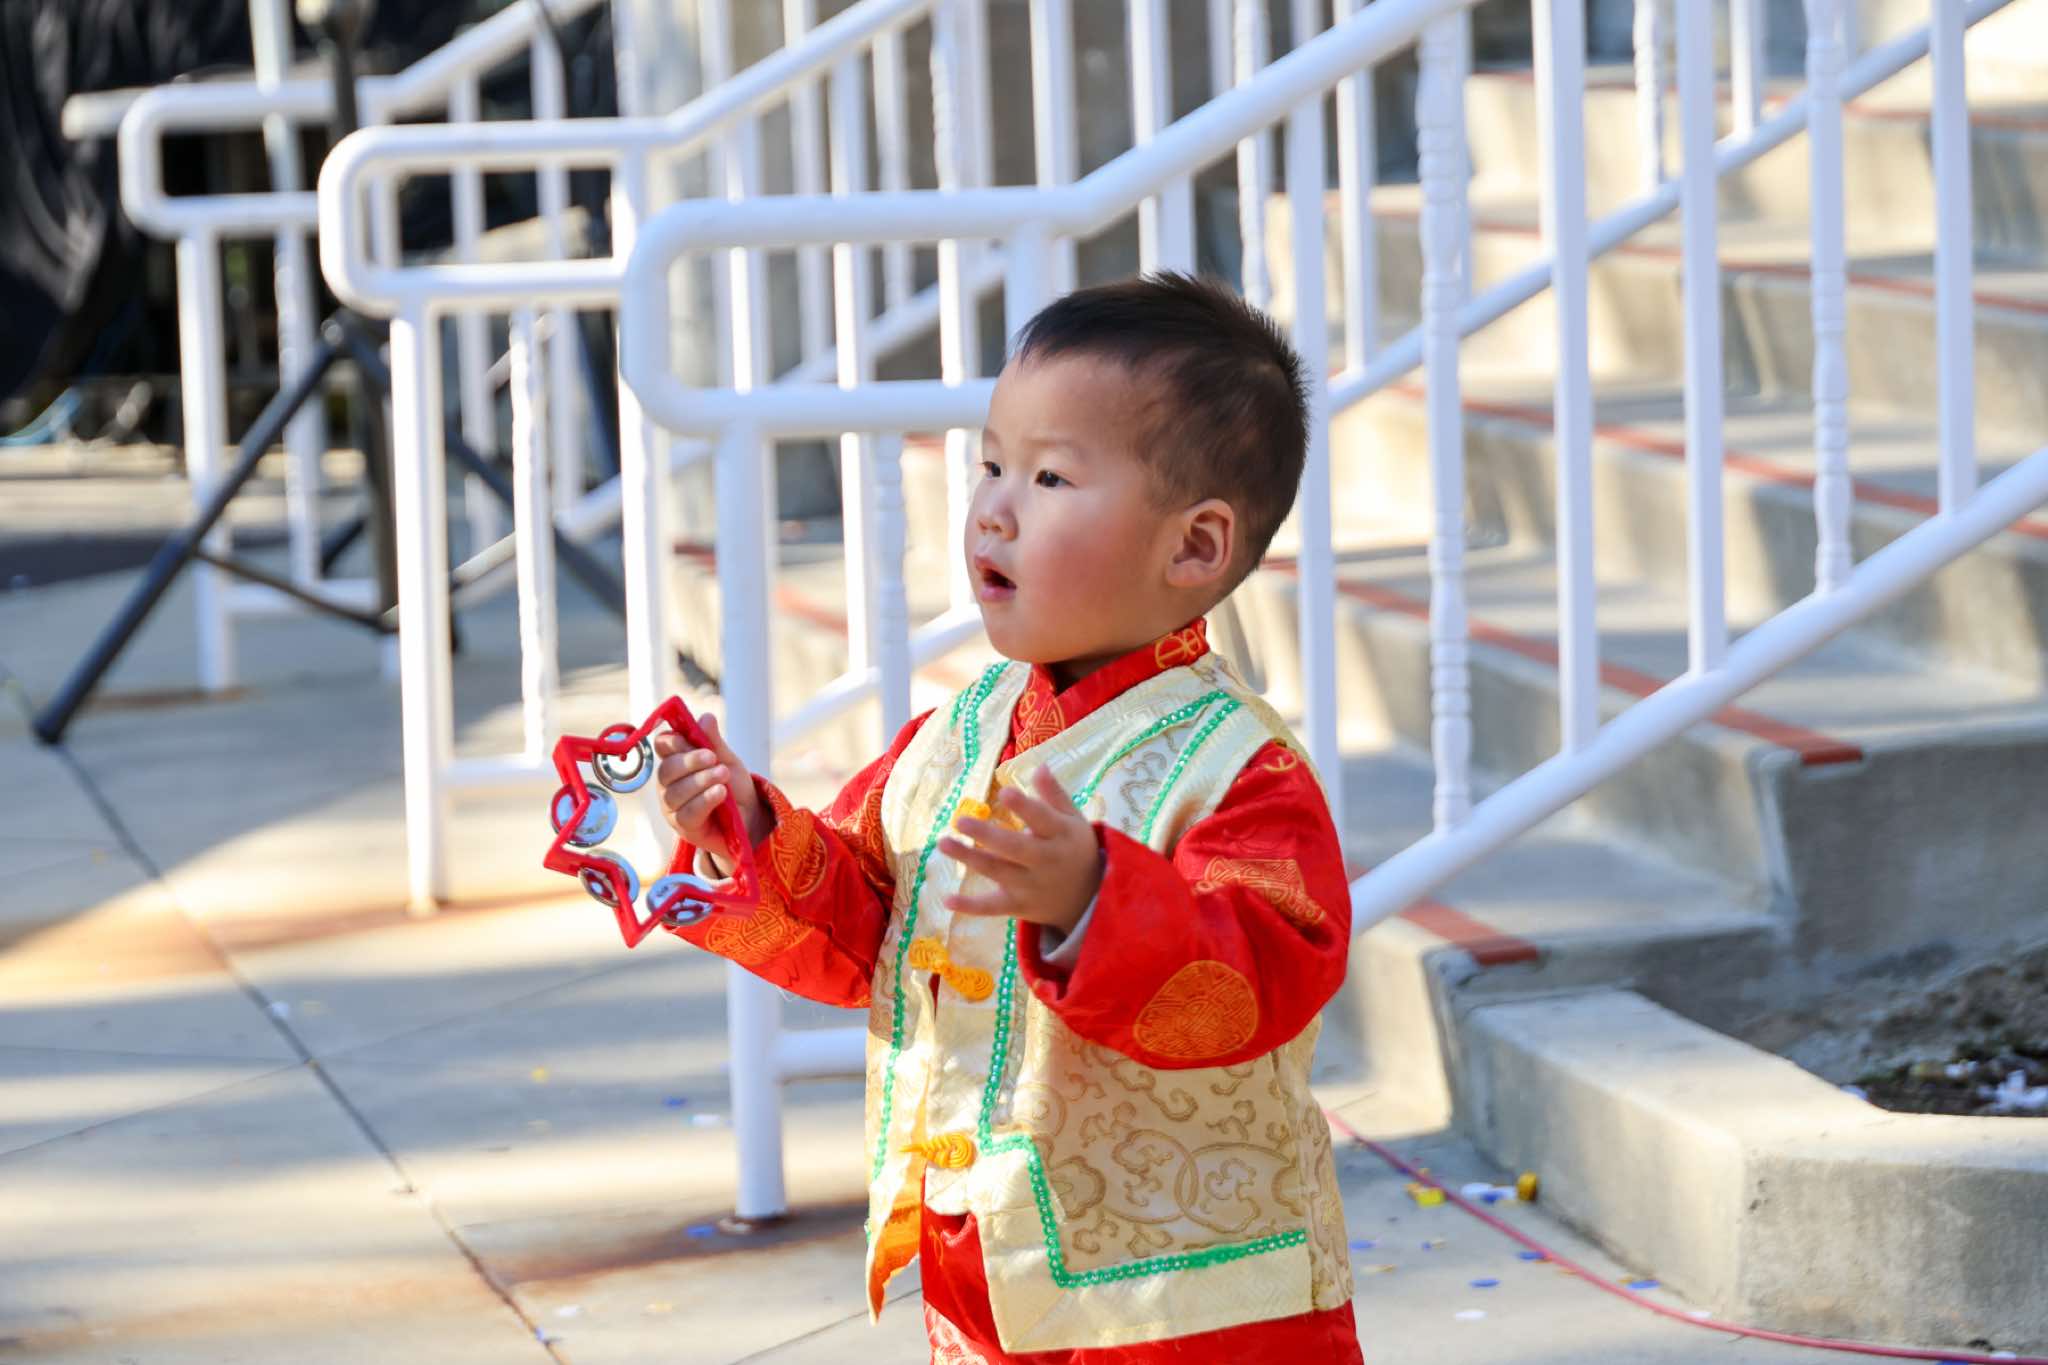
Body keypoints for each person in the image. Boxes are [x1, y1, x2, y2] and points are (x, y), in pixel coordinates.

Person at [656, 272, 1361, 1364]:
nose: (991, 506)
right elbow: (869, 932)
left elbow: (1262, 974)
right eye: (989, 464)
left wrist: (1095, 900)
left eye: (1048, 476)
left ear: (1194, 547)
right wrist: (746, 830)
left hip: (1193, 1306)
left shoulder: (1238, 768)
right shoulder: (956, 736)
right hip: (986, 1267)